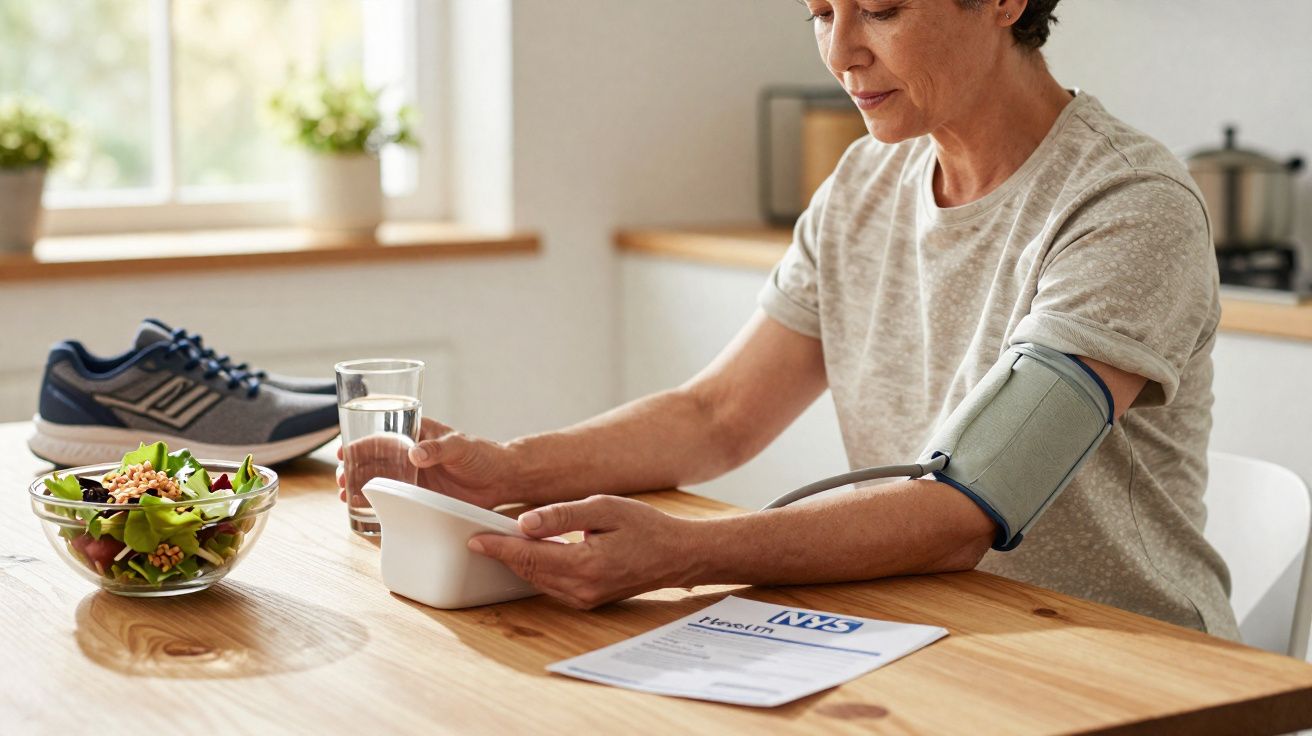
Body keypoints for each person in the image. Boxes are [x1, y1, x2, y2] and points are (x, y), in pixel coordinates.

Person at [340, 0, 1239, 638]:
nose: (842, 51)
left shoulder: (1127, 205)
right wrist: (506, 470)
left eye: (880, 10)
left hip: (1125, 661)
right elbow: (717, 415)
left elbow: (970, 504)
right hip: (925, 629)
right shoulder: (865, 183)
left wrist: (684, 553)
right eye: (820, 12)